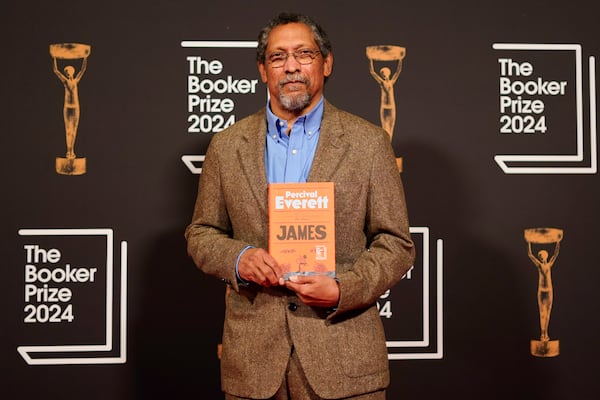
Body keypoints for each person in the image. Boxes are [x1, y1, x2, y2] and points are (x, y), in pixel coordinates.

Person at [185, 12, 415, 400]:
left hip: (343, 356)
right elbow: (201, 233)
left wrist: (344, 288)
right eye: (278, 57)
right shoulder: (226, 146)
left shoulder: (368, 143)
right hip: (254, 363)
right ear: (262, 70)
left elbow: (396, 243)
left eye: (304, 54)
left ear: (326, 63)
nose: (291, 66)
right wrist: (239, 258)